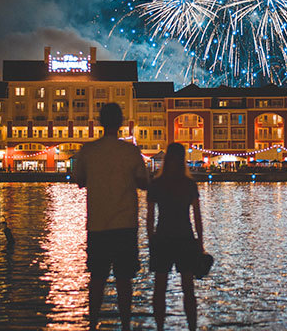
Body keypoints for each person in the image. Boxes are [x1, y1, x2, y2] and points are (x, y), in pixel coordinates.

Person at [72, 103, 149, 331]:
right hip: (125, 225)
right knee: (124, 280)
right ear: (121, 123)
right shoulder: (131, 152)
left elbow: (79, 181)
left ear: (99, 122)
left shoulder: (88, 151)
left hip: (97, 224)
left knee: (97, 279)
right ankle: (125, 325)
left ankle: (93, 323)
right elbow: (144, 182)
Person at [147, 142, 204, 331]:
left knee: (160, 288)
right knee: (188, 288)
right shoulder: (188, 184)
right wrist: (200, 242)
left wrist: (151, 239)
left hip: (162, 236)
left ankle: (160, 327)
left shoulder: (156, 184)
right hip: (185, 237)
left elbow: (149, 216)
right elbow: (197, 216)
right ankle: (192, 326)